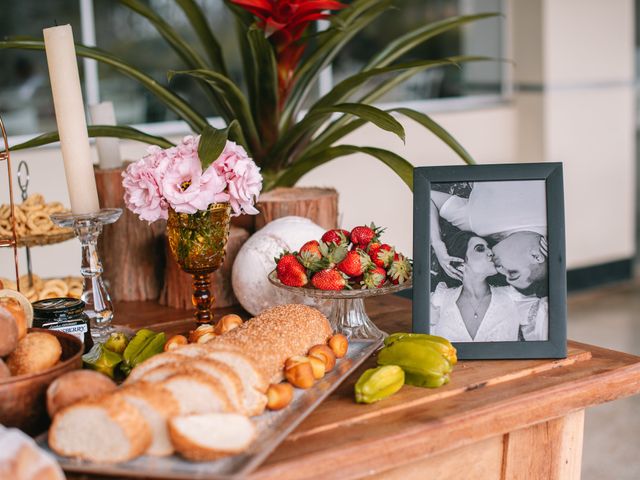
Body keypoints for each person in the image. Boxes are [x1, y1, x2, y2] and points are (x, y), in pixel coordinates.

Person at [430, 180, 547, 294]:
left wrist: (437, 243)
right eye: (512, 273)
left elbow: (428, 197)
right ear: (536, 256)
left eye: (504, 275)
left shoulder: (477, 226)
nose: (499, 270)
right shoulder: (554, 218)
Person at [430, 231, 547, 342]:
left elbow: (548, 321)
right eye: (480, 249)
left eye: (488, 247)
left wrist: (553, 253)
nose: (490, 252)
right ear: (460, 264)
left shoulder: (513, 296)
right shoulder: (440, 299)